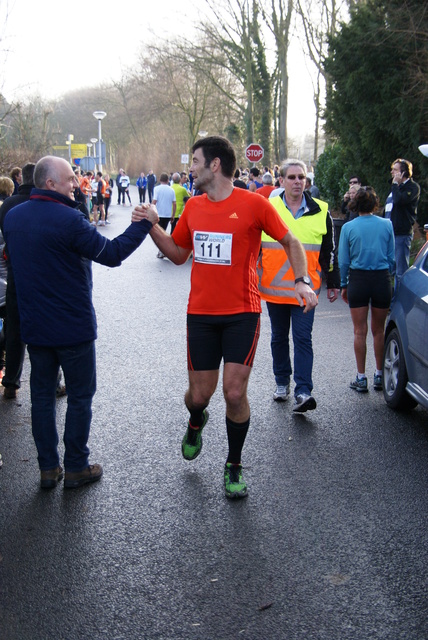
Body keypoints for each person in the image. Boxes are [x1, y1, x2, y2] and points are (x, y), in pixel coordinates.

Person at [131, 136, 317, 499]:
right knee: (199, 396)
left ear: (215, 165)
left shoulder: (253, 204)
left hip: (242, 313)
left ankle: (233, 465)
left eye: (197, 161)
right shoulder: (195, 207)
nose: (192, 168)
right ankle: (196, 419)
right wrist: (153, 226)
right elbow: (178, 253)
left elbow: (291, 242)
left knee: (234, 392)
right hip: (200, 314)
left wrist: (302, 280)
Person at [3, 156, 158, 490]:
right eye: (71, 179)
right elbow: (112, 253)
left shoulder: (13, 218)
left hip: (35, 326)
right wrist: (145, 224)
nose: (76, 184)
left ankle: (48, 469)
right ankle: (75, 466)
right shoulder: (69, 220)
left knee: (41, 398)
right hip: (73, 327)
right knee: (79, 397)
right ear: (50, 184)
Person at [258, 159, 340, 412]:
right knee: (279, 338)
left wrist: (333, 282)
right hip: (274, 289)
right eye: (291, 177)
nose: (297, 182)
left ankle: (303, 391)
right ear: (280, 180)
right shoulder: (267, 207)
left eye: (301, 177)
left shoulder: (321, 210)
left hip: (307, 289)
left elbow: (329, 250)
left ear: (306, 181)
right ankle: (281, 382)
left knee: (303, 338)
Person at [338, 187, 395, 392]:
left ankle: (361, 378)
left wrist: (344, 284)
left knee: (359, 331)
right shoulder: (387, 224)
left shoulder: (348, 228)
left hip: (358, 279)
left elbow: (343, 261)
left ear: (356, 205)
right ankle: (380, 374)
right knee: (379, 330)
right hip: (381, 279)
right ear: (375, 204)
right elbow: (392, 258)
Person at [0, 164, 36, 399]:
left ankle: (11, 382)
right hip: (38, 276)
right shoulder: (43, 204)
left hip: (12, 275)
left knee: (14, 332)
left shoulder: (8, 205)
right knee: (42, 330)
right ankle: (50, 384)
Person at [383, 158, 420, 294]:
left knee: (400, 270)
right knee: (388, 268)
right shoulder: (395, 187)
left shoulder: (412, 187)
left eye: (395, 170)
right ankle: (387, 298)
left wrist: (395, 185)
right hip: (389, 233)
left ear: (403, 172)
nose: (392, 172)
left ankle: (399, 301)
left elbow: (399, 201)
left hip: (401, 234)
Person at [152, 172, 176, 258]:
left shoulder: (156, 189)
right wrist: (173, 215)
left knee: (158, 234)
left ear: (160, 179)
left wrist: (150, 210)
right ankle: (162, 251)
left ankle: (161, 251)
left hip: (158, 214)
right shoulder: (171, 190)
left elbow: (154, 202)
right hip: (167, 214)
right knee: (164, 232)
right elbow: (174, 204)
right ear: (167, 180)